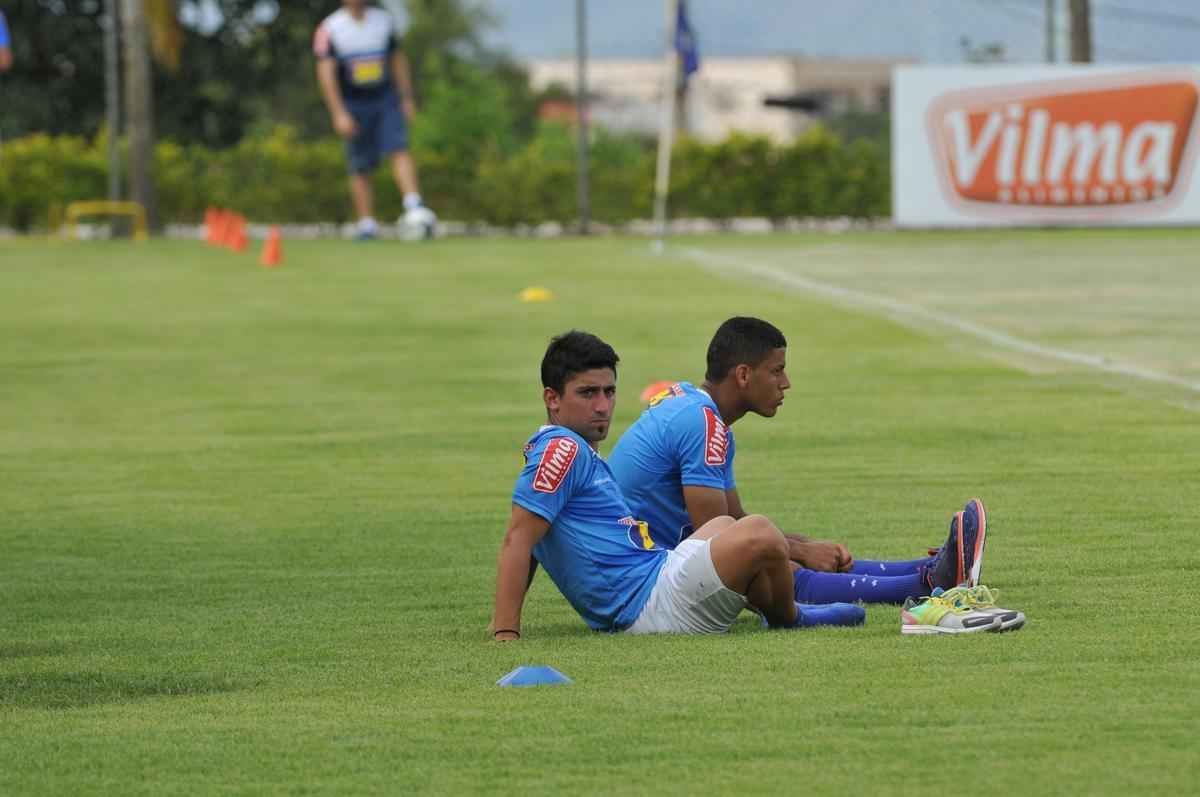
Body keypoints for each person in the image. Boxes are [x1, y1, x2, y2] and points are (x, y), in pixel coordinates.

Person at [490, 331, 865, 640]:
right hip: (650, 606)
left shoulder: (575, 451)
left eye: (609, 391)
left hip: (658, 575)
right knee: (760, 531)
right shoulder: (562, 449)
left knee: (725, 527)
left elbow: (537, 541)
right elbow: (519, 538)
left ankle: (777, 608)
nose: (604, 406)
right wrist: (506, 632)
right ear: (552, 399)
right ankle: (790, 617)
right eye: (588, 393)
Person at [608, 316, 987, 606]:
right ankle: (926, 584)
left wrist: (799, 543)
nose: (785, 382)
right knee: (774, 566)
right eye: (776, 370)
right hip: (642, 579)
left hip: (648, 564)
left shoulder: (702, 413)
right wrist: (800, 552)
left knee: (782, 548)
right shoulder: (702, 422)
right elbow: (718, 537)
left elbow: (734, 519)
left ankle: (925, 572)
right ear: (743, 374)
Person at [313, 0, 436, 240]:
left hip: (385, 99)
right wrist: (338, 112)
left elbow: (397, 60)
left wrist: (406, 97)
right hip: (353, 103)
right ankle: (367, 223)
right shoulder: (329, 28)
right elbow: (325, 73)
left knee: (399, 148)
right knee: (360, 165)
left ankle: (414, 206)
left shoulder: (384, 21)